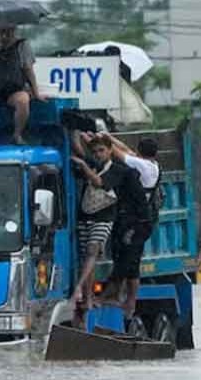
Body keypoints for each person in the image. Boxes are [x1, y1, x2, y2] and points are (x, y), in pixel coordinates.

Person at [70, 137, 126, 321]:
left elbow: (98, 183)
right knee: (87, 257)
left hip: (104, 218)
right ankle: (87, 298)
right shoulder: (92, 164)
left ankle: (78, 287)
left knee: (93, 251)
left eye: (102, 150)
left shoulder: (117, 170)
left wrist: (84, 166)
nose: (98, 155)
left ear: (110, 150)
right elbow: (79, 149)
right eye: (95, 152)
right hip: (86, 216)